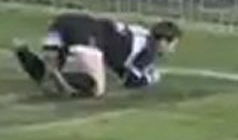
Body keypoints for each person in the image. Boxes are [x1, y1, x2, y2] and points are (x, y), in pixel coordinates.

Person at [14, 13, 180, 98]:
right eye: (173, 44)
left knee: (46, 73)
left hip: (65, 22)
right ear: (164, 41)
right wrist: (150, 78)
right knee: (97, 90)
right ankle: (57, 77)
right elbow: (131, 80)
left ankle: (24, 53)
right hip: (89, 36)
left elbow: (120, 66)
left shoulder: (139, 35)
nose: (172, 49)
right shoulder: (150, 47)